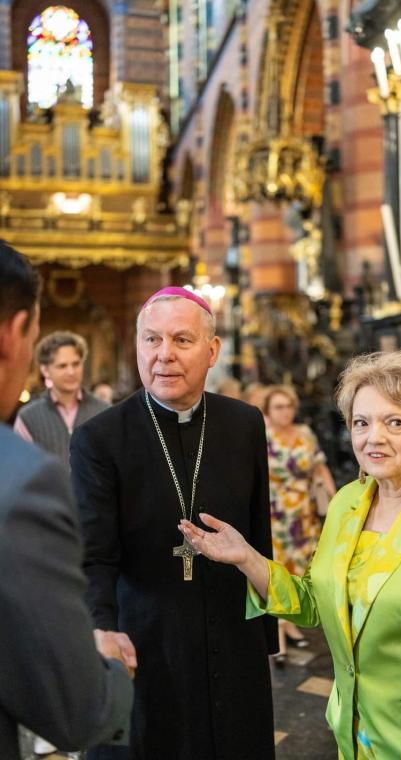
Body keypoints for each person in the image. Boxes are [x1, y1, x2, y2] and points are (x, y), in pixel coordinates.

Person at [180, 349, 401, 760]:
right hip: (353, 739)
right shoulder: (348, 503)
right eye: (361, 423)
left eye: (394, 422)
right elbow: (317, 602)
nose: (374, 437)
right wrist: (246, 557)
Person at [70, 286, 278, 760]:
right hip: (146, 637)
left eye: (182, 340)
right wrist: (101, 630)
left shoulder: (244, 423)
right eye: (152, 339)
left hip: (233, 634)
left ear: (212, 351)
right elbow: (94, 555)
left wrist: (265, 635)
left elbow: (257, 531)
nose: (164, 354)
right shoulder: (99, 439)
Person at [0, 240, 133, 759]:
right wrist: (113, 664)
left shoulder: (102, 411)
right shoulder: (22, 479)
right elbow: (80, 709)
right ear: (15, 334)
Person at [263, 384, 335, 664]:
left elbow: (319, 465)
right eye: (278, 407)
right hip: (275, 514)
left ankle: (289, 623)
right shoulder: (263, 436)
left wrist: (335, 499)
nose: (285, 412)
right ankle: (278, 637)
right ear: (268, 410)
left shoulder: (305, 433)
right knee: (278, 571)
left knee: (301, 570)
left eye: (289, 406)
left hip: (303, 514)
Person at [14, 330, 107, 473]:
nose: (71, 372)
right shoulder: (28, 418)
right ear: (45, 370)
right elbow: (19, 471)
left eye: (76, 364)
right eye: (62, 366)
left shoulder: (104, 411)